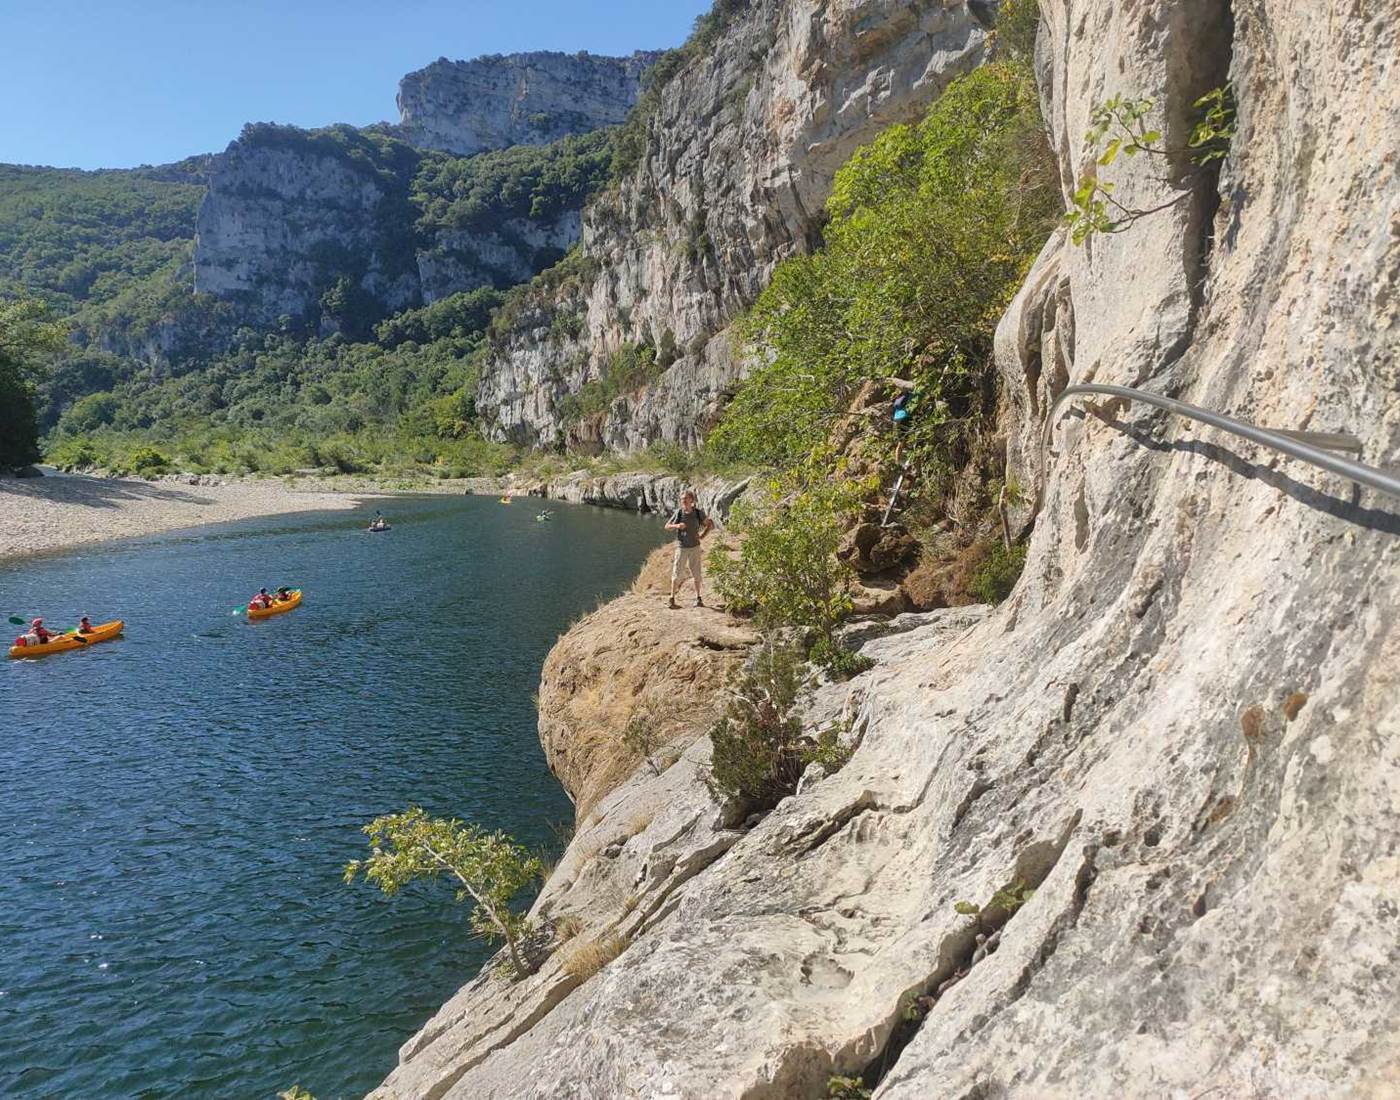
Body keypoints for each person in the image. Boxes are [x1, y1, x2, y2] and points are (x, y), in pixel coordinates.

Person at [665, 491, 714, 609]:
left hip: (695, 547)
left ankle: (698, 598)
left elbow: (710, 524)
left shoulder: (698, 513)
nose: (683, 500)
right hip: (682, 547)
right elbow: (667, 526)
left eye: (686, 498)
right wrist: (677, 526)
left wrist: (702, 536)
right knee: (677, 572)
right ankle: (672, 599)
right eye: (682, 499)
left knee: (696, 573)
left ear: (692, 500)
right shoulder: (679, 513)